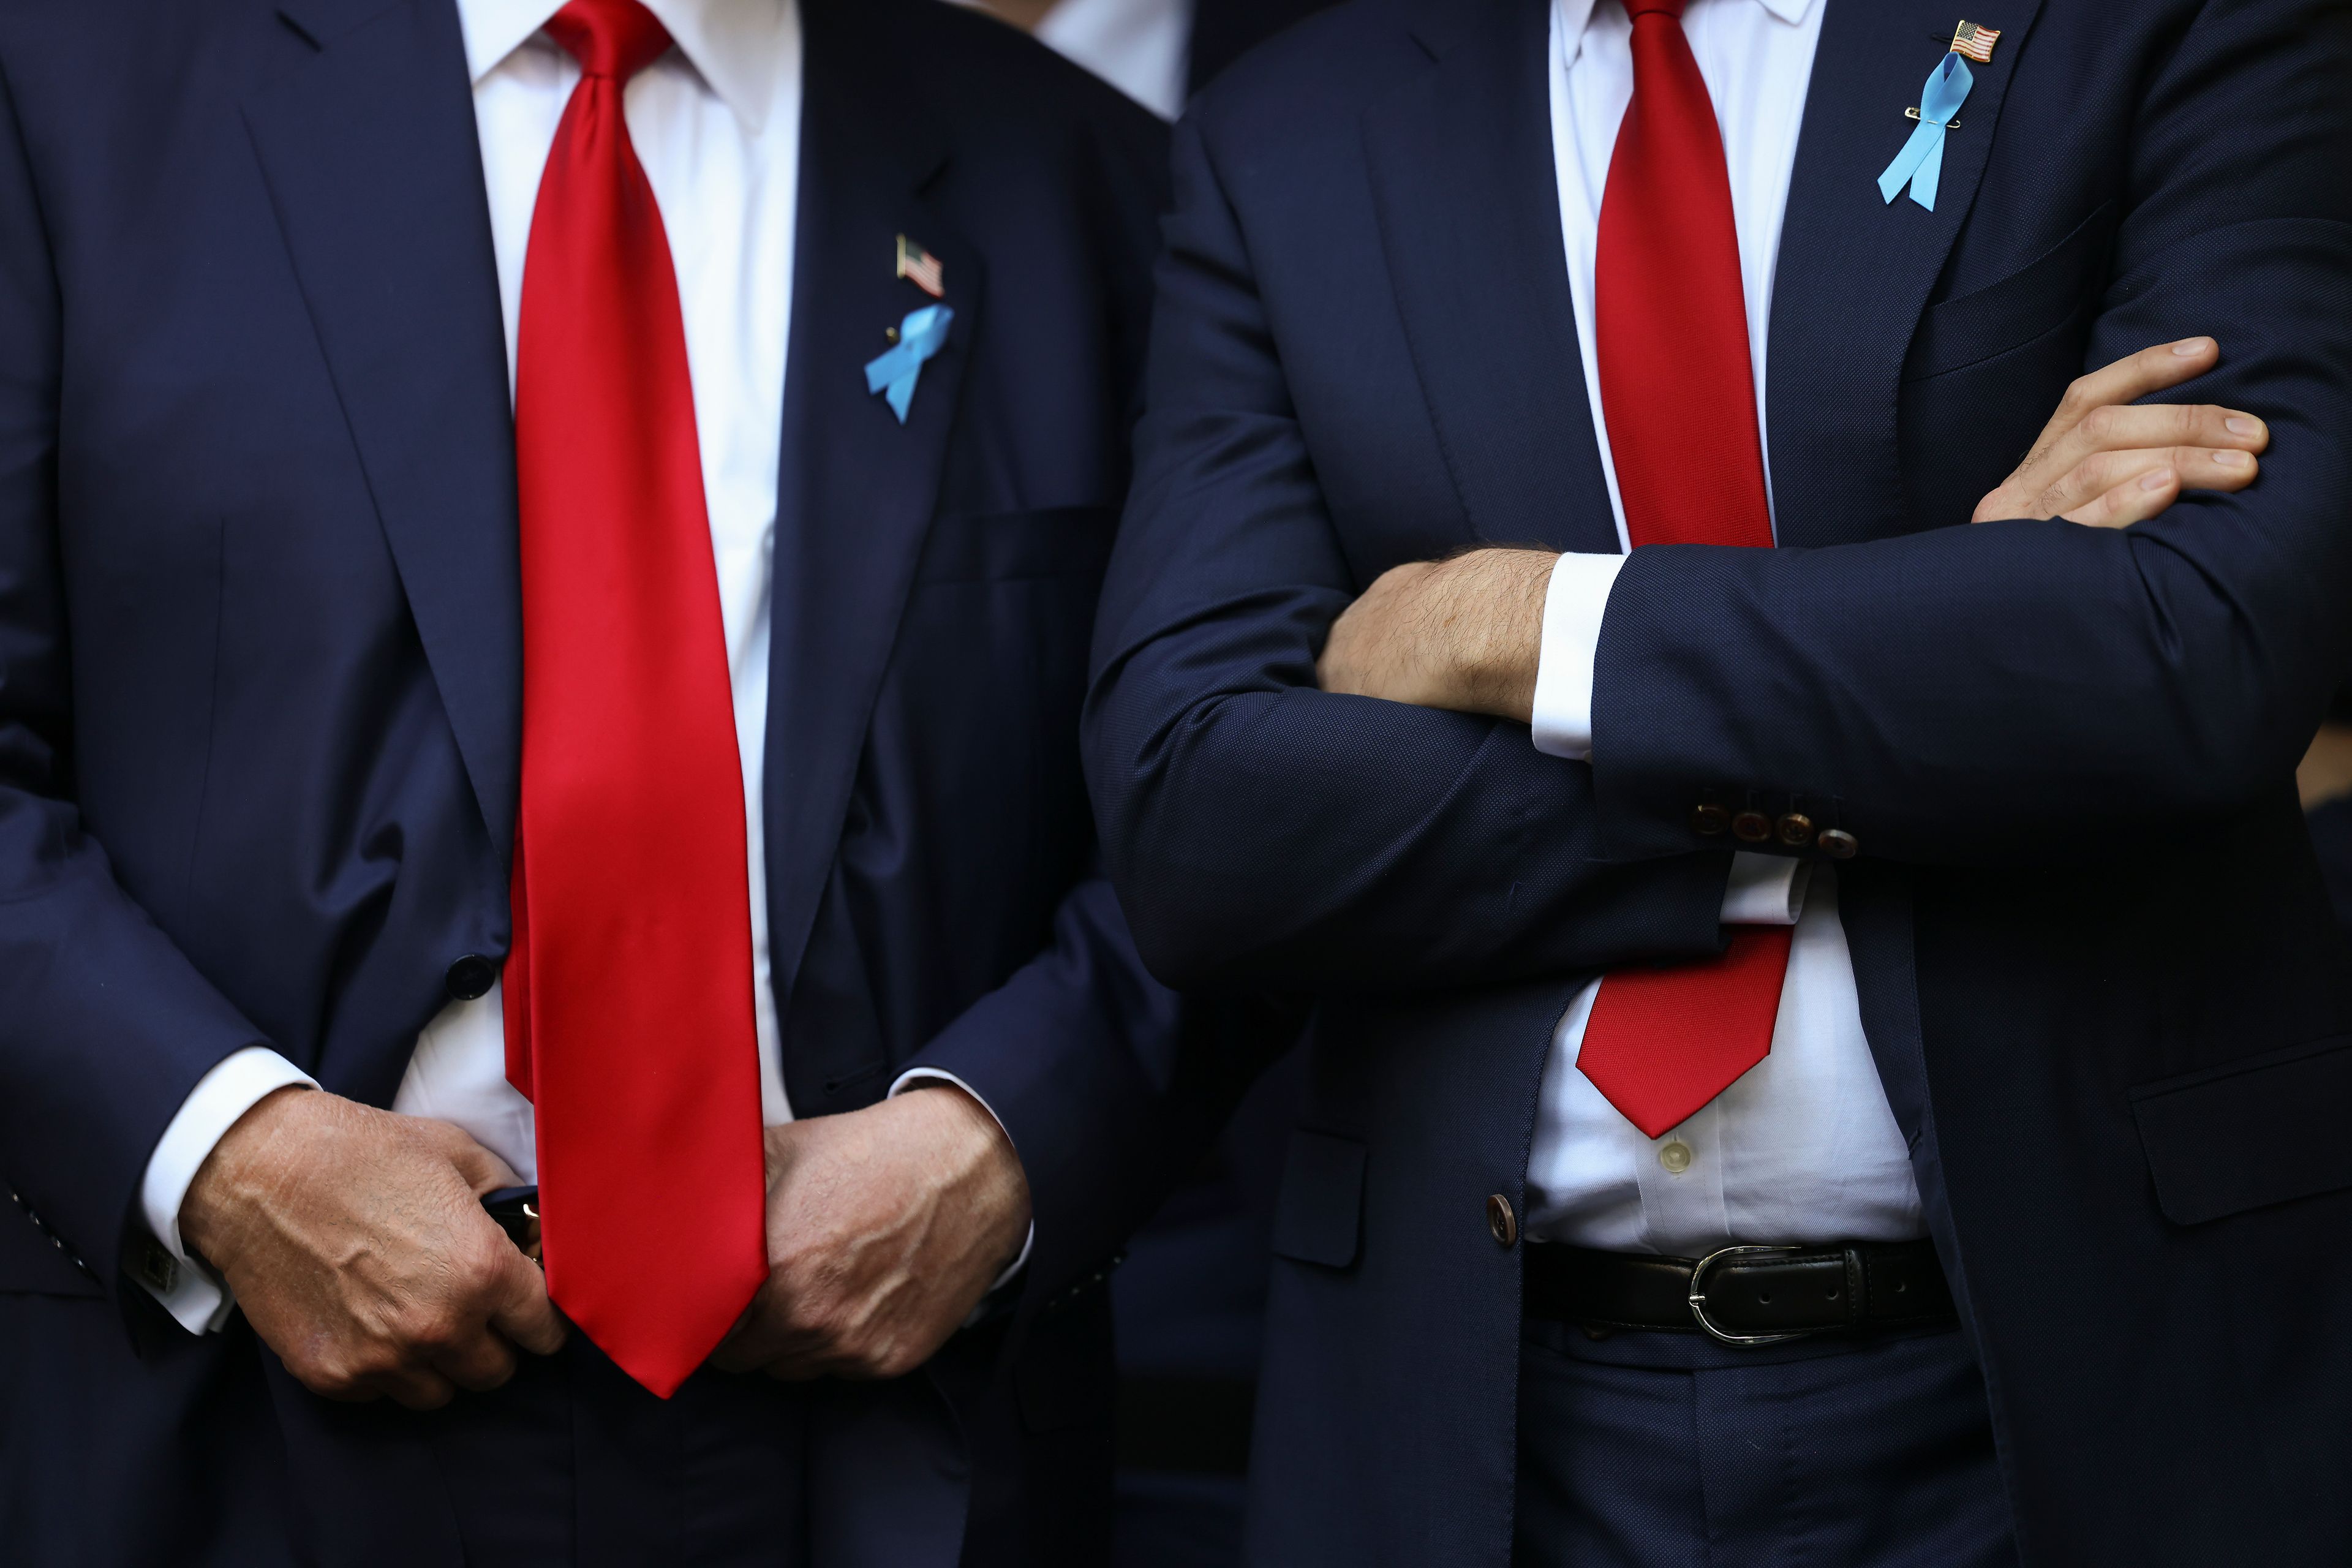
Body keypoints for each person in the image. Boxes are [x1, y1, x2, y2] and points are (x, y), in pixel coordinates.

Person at [1084, 1, 2352, 1564]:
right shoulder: (1289, 125)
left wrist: (1511, 620)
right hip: (1486, 1424)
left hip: (2084, 1374)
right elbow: (1199, 818)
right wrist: (1949, 620)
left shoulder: (2154, 26)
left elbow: (2193, 651)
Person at [0, 0, 1251, 1562]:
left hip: (886, 1423)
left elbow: (1230, 790)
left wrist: (994, 1148)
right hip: (239, 1411)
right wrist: (231, 1155)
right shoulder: (69, 99)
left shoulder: (1093, 177)